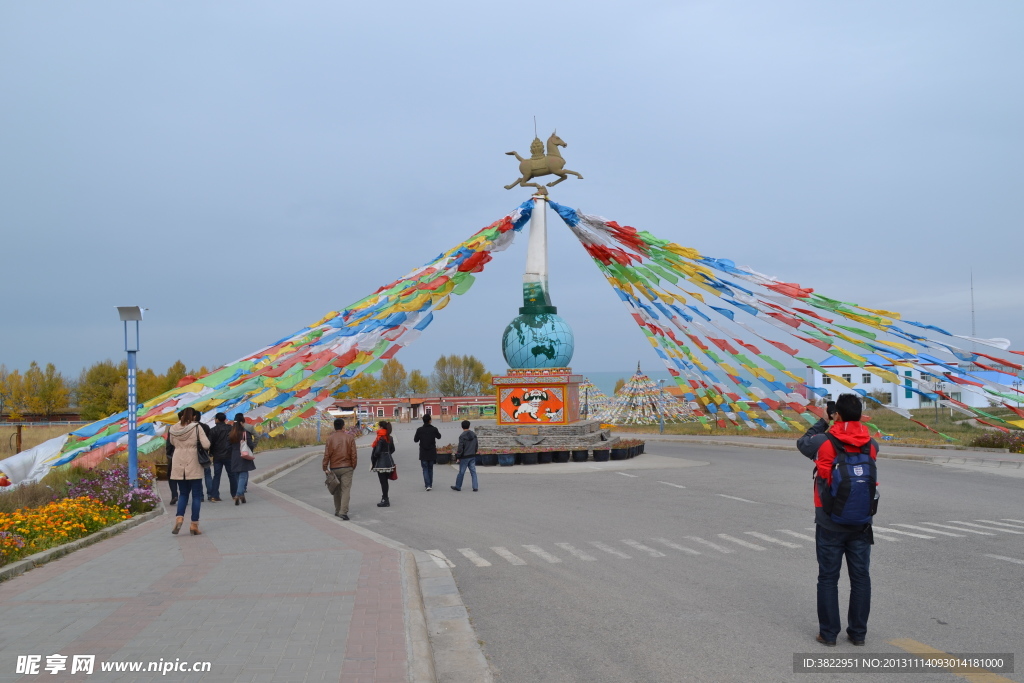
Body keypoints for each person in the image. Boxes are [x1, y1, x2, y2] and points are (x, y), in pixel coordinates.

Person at [797, 394, 878, 647]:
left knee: (828, 578)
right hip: (862, 522)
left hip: (829, 521)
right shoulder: (872, 444)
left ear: (837, 414)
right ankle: (858, 633)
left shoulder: (824, 442)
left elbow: (802, 443)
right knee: (861, 578)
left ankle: (829, 634)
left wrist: (824, 421)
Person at [167, 406, 211, 535]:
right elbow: (206, 444)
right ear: (194, 416)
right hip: (193, 461)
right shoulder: (196, 427)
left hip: (178, 460)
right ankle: (194, 525)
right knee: (196, 495)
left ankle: (179, 517)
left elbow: (172, 443)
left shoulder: (173, 428)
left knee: (183, 493)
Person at [323, 417, 357, 519]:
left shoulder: (330, 439)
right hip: (347, 467)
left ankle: (337, 510)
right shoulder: (350, 438)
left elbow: (326, 455)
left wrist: (325, 467)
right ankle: (343, 511)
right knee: (345, 489)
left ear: (334, 427)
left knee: (336, 490)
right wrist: (353, 466)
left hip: (334, 467)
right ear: (343, 426)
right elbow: (354, 454)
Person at [229, 416, 257, 505]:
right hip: (243, 455)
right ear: (241, 422)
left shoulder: (231, 433)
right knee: (243, 475)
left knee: (237, 476)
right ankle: (238, 494)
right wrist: (250, 450)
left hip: (234, 455)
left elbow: (227, 446)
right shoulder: (245, 433)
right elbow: (250, 444)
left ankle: (241, 496)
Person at [208, 412, 235, 502]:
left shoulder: (213, 430)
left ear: (217, 419)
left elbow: (210, 443)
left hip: (217, 456)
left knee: (216, 476)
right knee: (232, 475)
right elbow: (233, 440)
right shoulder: (230, 428)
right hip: (229, 455)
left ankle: (214, 496)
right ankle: (234, 494)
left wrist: (211, 453)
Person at [370, 421, 396, 507]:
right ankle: (385, 498)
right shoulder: (390, 437)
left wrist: (375, 458)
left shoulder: (380, 438)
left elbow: (377, 452)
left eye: (378, 427)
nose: (377, 428)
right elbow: (392, 449)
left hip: (381, 463)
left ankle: (385, 499)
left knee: (383, 482)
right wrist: (387, 454)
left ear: (381, 427)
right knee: (385, 482)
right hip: (389, 462)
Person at [414, 413, 442, 491]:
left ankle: (427, 485)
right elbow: (439, 436)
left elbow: (415, 440)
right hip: (431, 451)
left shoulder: (419, 430)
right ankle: (430, 484)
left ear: (423, 421)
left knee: (425, 468)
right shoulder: (434, 429)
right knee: (430, 468)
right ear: (430, 420)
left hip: (423, 451)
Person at [451, 420, 478, 492]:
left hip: (464, 457)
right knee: (473, 472)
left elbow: (460, 448)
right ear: (469, 426)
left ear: (462, 426)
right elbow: (476, 446)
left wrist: (458, 456)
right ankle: (475, 487)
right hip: (472, 455)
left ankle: (458, 486)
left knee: (461, 472)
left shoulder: (462, 436)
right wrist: (474, 452)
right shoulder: (474, 435)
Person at [165, 410, 185, 504]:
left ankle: (174, 494)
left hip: (174, 454)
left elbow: (169, 444)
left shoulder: (173, 428)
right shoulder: (192, 428)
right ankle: (183, 495)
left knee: (172, 476)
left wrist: (169, 454)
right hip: (187, 456)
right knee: (184, 476)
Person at [194, 410, 213, 501]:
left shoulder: (189, 427)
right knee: (207, 474)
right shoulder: (205, 427)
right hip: (204, 453)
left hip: (193, 454)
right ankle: (210, 494)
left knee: (197, 476)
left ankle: (200, 496)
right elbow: (209, 441)